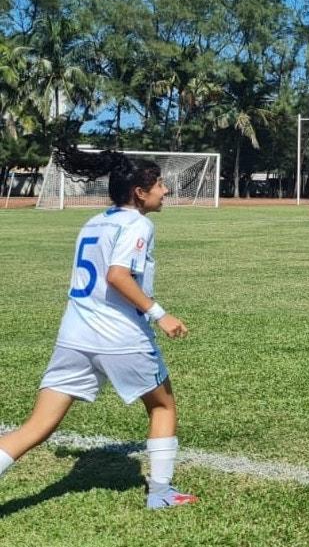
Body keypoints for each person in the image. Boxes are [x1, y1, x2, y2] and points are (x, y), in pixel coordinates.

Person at [0, 143, 196, 509]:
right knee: (162, 406)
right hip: (120, 336)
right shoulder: (139, 223)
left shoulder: (94, 220)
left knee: (36, 426)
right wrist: (160, 314)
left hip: (75, 336)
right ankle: (161, 494)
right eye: (159, 185)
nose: (165, 191)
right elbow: (118, 275)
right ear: (140, 193)